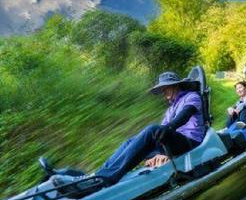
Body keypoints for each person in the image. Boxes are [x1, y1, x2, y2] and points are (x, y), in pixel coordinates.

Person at [51, 71, 206, 192]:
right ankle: (96, 176)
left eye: (166, 88)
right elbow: (162, 134)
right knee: (131, 141)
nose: (164, 93)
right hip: (174, 143)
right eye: (162, 90)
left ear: (176, 85)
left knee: (152, 130)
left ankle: (105, 179)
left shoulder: (191, 97)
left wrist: (168, 128)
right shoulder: (170, 109)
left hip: (189, 141)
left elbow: (184, 116)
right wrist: (161, 151)